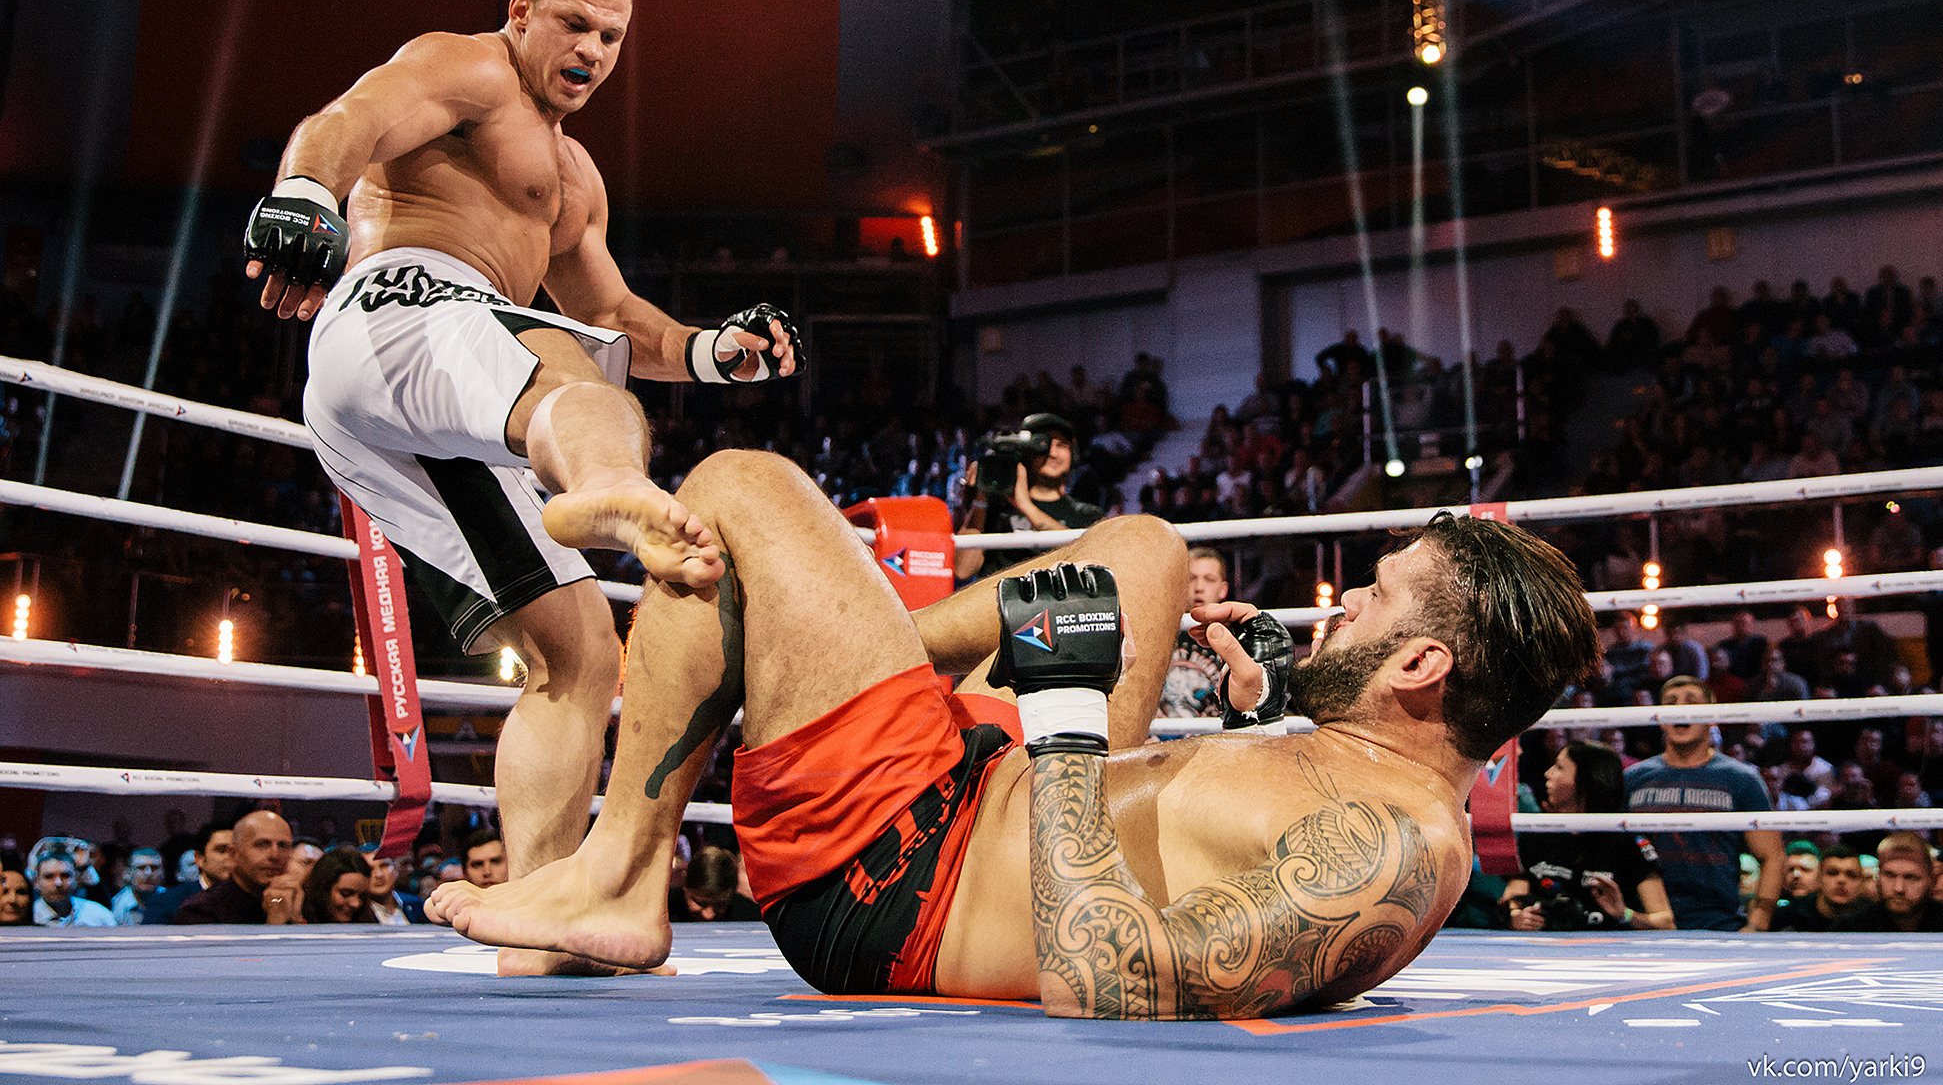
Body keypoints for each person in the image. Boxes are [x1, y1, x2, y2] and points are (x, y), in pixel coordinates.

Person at [424, 453, 1598, 1018]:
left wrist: (1072, 718)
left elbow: (1103, 976)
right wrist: (1262, 696)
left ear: (1421, 667)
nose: (1338, 600)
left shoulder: (1390, 856)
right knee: (1140, 550)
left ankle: (623, 876)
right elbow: (1222, 804)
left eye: (1374, 599)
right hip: (990, 780)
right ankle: (844, 641)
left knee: (737, 492)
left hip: (898, 877)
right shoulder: (1367, 766)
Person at [243, 0, 800, 970]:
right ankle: (613, 491)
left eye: (612, 38)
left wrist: (717, 354)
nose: (591, 50)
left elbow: (620, 317)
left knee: (580, 654)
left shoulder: (574, 177)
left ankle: (539, 919)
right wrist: (307, 196)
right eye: (575, 25)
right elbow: (348, 118)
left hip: (428, 415)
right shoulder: (467, 68)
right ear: (522, 12)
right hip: (400, 309)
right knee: (566, 372)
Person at [1623, 676, 1785, 930]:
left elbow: (1772, 855)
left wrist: (1757, 925)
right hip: (1645, 923)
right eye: (1671, 703)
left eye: (1691, 701)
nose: (1681, 709)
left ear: (1711, 715)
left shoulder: (1741, 779)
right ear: (1659, 717)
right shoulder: (1633, 779)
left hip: (1720, 924)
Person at [1500, 741, 1673, 931]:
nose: (1547, 773)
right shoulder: (1536, 833)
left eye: (1559, 767)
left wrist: (1625, 914)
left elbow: (1666, 921)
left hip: (1611, 950)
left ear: (1584, 780)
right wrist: (1517, 917)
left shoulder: (1626, 840)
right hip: (1546, 949)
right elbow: (1513, 899)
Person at [953, 413, 1102, 580]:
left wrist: (1025, 505)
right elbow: (963, 570)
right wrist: (981, 497)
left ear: (1073, 455)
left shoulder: (1087, 514)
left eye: (1061, 445)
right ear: (1026, 453)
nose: (1052, 453)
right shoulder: (994, 509)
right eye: (1041, 446)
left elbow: (1086, 557)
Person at [175, 811, 301, 925]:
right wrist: (276, 924)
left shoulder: (298, 899)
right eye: (262, 845)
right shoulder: (200, 911)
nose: (275, 855)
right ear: (233, 853)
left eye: (283, 846)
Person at [1156, 547, 1231, 719]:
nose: (1199, 587)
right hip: (1160, 740)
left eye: (1209, 580)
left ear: (1223, 589)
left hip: (1212, 739)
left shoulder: (1233, 639)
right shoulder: (1160, 636)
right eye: (1191, 579)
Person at [1836, 834, 1942, 932]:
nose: (1899, 888)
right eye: (1890, 875)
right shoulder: (1852, 927)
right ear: (1878, 875)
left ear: (1931, 880)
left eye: (1911, 877)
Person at [142, 820, 233, 924]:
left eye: (234, 851)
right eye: (221, 850)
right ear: (199, 859)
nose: (229, 857)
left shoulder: (251, 900)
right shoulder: (166, 902)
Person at [1773, 844, 1868, 931]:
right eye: (1832, 873)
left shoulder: (1871, 919)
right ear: (1818, 878)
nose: (1841, 880)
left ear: (1862, 882)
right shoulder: (1789, 916)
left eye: (1851, 875)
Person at [666, 846, 760, 923]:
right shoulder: (663, 909)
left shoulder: (752, 919)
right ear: (685, 889)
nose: (709, 915)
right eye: (700, 903)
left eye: (719, 905)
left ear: (731, 895)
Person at [30, 853, 115, 927]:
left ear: (76, 879)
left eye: (65, 876)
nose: (58, 883)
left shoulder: (99, 914)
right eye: (49, 877)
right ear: (36, 882)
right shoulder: (30, 915)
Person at [302, 848, 379, 924]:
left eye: (362, 896)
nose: (356, 904)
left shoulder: (368, 922)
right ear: (323, 889)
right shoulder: (297, 923)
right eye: (346, 894)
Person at [364, 849, 426, 925]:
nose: (378, 875)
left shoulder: (416, 904)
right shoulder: (359, 913)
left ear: (395, 869)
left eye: (384, 866)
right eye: (369, 869)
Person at [109, 847, 166, 924]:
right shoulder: (119, 904)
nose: (148, 873)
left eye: (154, 868)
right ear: (129, 873)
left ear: (162, 872)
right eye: (141, 868)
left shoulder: (170, 898)